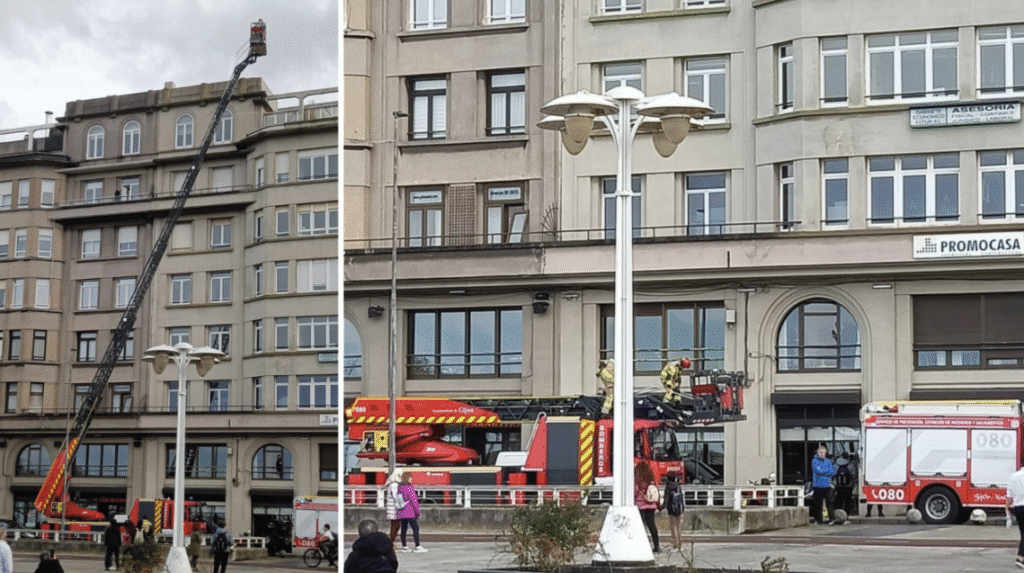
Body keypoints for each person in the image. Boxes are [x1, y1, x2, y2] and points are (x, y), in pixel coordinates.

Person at [396, 470, 427, 552]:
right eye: (410, 478)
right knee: (415, 528)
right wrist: (418, 512)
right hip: (410, 512)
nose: (412, 479)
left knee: (403, 529)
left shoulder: (399, 487)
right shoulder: (410, 488)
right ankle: (417, 546)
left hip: (401, 512)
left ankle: (404, 546)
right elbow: (414, 501)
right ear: (407, 478)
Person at [635, 461, 661, 554]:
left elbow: (635, 493)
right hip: (651, 506)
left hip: (640, 506)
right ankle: (656, 545)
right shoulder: (651, 480)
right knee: (652, 526)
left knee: (640, 527)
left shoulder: (638, 481)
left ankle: (641, 546)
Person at [810, 445, 837, 524]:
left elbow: (831, 472)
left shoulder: (828, 461)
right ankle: (818, 520)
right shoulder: (814, 461)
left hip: (827, 485)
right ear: (818, 452)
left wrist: (823, 471)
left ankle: (831, 519)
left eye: (824, 452)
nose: (822, 454)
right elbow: (818, 471)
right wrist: (826, 471)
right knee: (818, 504)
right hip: (817, 485)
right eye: (821, 452)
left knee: (830, 503)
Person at [1006, 463, 1024, 568]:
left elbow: (1009, 495)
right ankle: (1020, 557)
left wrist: (1007, 509)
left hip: (1017, 508)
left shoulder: (1013, 476)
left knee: (1023, 532)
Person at [663, 474, 685, 550]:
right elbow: (681, 499)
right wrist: (682, 509)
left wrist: (660, 508)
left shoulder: (667, 487)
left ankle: (675, 544)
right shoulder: (678, 487)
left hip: (671, 509)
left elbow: (666, 501)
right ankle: (680, 544)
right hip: (679, 509)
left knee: (673, 527)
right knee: (679, 527)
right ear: (675, 478)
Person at [385, 468, 404, 545]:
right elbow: (396, 496)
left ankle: (391, 542)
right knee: (395, 526)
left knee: (395, 525)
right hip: (394, 509)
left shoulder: (392, 484)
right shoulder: (394, 485)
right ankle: (391, 543)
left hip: (393, 508)